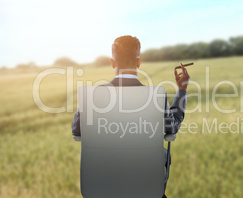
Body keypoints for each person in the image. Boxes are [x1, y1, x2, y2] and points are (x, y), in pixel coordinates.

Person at [71, 35, 190, 198]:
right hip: (146, 187)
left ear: (112, 63)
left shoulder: (92, 97)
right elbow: (173, 126)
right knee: (163, 153)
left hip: (100, 186)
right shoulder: (156, 97)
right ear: (139, 62)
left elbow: (77, 131)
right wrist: (182, 90)